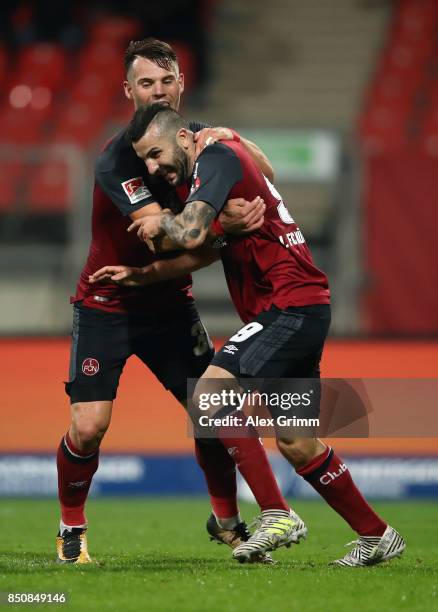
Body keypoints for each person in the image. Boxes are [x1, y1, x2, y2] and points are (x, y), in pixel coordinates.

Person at [91, 103, 406, 567]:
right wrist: (146, 274)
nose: (154, 167)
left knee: (208, 395)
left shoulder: (215, 157)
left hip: (289, 306)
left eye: (155, 154)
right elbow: (210, 241)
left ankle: (276, 513)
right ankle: (377, 535)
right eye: (145, 162)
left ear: (181, 138)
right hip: (301, 307)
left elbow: (193, 231)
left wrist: (161, 225)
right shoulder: (216, 162)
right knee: (298, 443)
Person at [56, 37, 285, 565]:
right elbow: (161, 235)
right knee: (89, 426)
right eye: (145, 84)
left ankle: (227, 521)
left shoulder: (201, 142)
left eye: (166, 82)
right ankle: (72, 527)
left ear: (180, 84)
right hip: (106, 301)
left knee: (210, 409)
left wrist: (238, 141)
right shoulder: (117, 159)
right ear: (127, 90)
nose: (157, 91)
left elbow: (265, 179)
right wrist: (223, 224)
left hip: (169, 304)